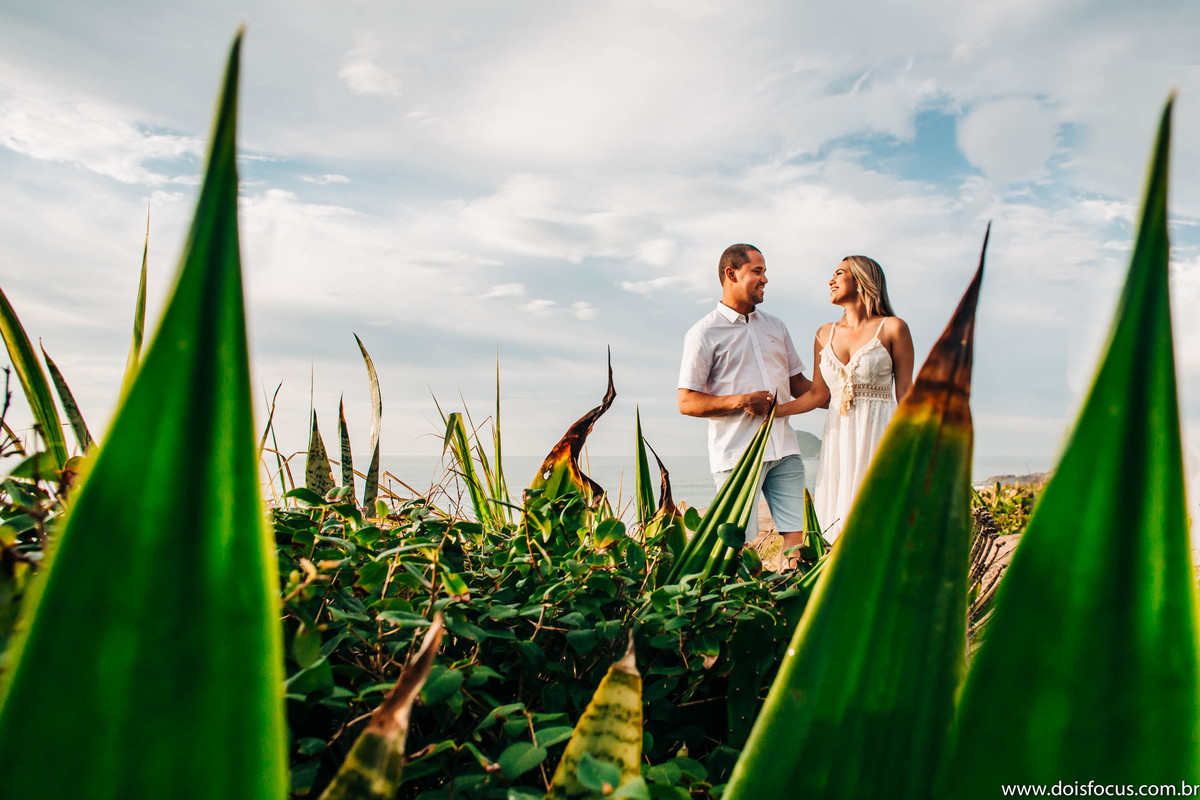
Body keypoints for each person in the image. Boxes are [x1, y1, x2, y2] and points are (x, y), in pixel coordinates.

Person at [678, 243, 814, 558]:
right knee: (740, 548)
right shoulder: (703, 334)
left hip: (785, 448)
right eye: (757, 271)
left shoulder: (776, 326)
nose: (765, 279)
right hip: (736, 455)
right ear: (731, 273)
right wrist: (741, 401)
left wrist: (848, 392)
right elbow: (686, 402)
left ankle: (793, 599)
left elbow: (798, 384)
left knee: (797, 540)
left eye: (764, 271)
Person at [777, 255, 914, 541]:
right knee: (838, 514)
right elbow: (817, 395)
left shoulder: (892, 328)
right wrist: (774, 412)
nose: (831, 280)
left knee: (879, 512)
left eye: (839, 273)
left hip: (881, 432)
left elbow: (906, 394)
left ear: (863, 280)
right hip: (839, 437)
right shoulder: (823, 334)